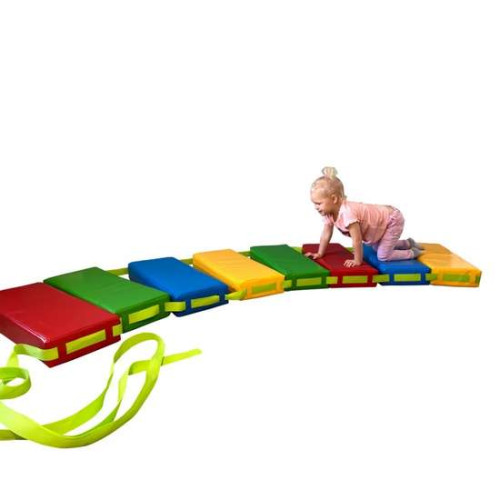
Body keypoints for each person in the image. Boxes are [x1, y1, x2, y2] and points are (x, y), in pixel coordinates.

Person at [306, 166, 424, 267]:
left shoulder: (347, 213)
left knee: (383, 255)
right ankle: (408, 243)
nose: (316, 207)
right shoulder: (328, 213)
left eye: (318, 203)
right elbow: (326, 235)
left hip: (391, 219)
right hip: (382, 222)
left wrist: (357, 260)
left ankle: (413, 252)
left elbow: (357, 239)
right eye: (314, 203)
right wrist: (319, 253)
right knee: (377, 247)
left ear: (334, 199)